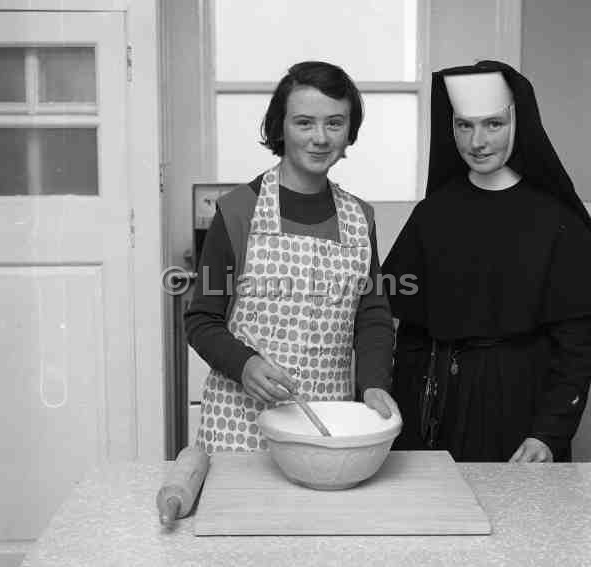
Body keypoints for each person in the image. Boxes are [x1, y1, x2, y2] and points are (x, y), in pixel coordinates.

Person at [382, 60, 591, 463]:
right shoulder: (433, 214)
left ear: (518, 123)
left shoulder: (557, 221)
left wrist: (549, 432)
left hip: (521, 409)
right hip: (432, 404)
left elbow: (577, 346)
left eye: (493, 124)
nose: (477, 141)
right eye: (464, 125)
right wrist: (401, 423)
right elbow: (407, 332)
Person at [185, 61, 399, 455]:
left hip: (326, 423)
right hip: (240, 427)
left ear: (350, 131)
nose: (320, 137)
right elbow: (201, 319)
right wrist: (244, 363)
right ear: (279, 127)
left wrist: (373, 385)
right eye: (304, 123)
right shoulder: (238, 210)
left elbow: (372, 317)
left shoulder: (359, 218)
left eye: (334, 123)